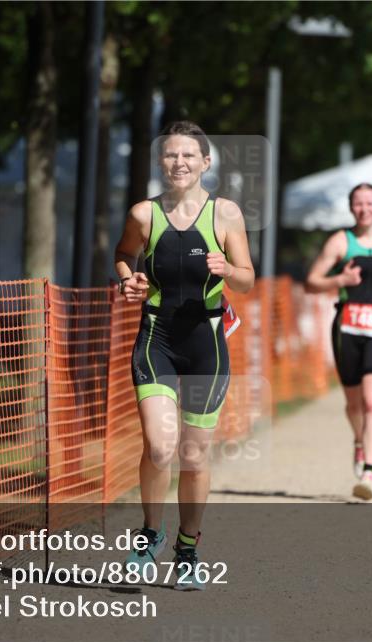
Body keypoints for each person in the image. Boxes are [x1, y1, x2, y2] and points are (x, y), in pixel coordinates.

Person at [114, 121, 254, 589]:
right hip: (157, 338)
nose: (180, 163)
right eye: (172, 155)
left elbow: (248, 278)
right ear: (161, 162)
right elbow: (123, 254)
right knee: (159, 445)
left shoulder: (226, 215)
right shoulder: (142, 215)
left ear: (205, 163)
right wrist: (126, 279)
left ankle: (188, 549)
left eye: (189, 156)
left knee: (193, 454)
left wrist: (228, 268)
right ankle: (149, 535)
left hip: (206, 342)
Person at [305, 183, 372, 501]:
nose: (364, 209)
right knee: (353, 403)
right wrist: (340, 280)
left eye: (369, 203)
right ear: (351, 208)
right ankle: (358, 440)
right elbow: (311, 282)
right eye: (358, 204)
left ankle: (370, 470)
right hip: (347, 327)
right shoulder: (340, 241)